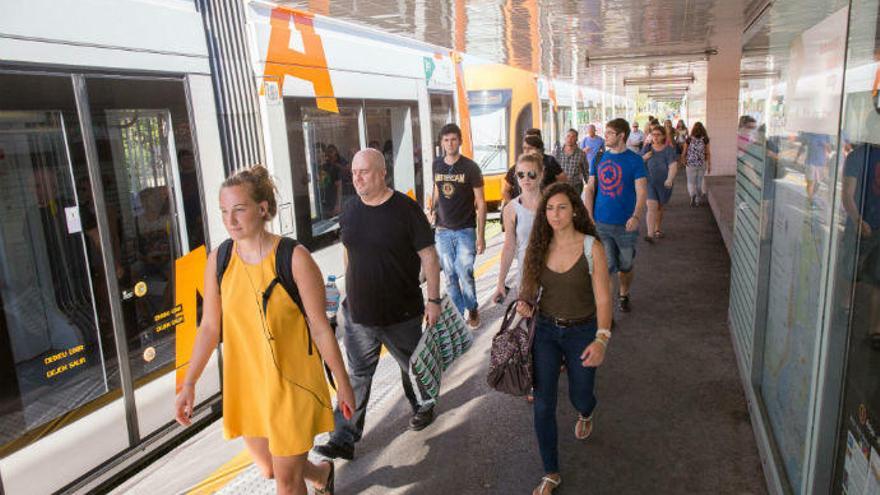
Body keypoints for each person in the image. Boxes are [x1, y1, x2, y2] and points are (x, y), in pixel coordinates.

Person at [175, 165, 355, 495]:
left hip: (293, 385)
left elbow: (320, 328)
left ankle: (310, 478)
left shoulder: (293, 257)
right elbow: (210, 327)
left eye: (239, 209)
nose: (230, 220)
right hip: (248, 386)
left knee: (286, 483)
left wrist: (343, 384)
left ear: (262, 208)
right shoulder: (219, 260)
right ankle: (321, 474)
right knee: (272, 469)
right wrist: (189, 383)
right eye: (224, 211)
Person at [314, 149, 442, 461]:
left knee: (412, 367)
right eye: (354, 172)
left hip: (402, 313)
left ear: (382, 173)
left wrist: (434, 300)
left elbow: (429, 257)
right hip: (359, 315)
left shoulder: (406, 209)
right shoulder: (350, 210)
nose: (356, 178)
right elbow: (350, 253)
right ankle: (343, 438)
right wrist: (345, 294)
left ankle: (423, 405)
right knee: (357, 376)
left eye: (365, 172)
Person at [516, 182, 613, 495]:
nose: (555, 215)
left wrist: (601, 339)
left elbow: (603, 299)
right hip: (544, 331)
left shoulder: (591, 247)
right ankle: (550, 471)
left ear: (574, 210)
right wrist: (524, 302)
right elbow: (529, 288)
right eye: (549, 209)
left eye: (561, 208)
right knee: (543, 405)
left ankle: (586, 411)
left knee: (580, 394)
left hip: (583, 332)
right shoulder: (539, 245)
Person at [583, 118, 647, 313]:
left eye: (610, 133)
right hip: (601, 222)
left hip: (626, 224)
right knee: (608, 266)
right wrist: (588, 214)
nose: (606, 136)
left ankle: (624, 293)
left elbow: (642, 191)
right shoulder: (599, 158)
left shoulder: (635, 160)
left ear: (621, 136)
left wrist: (636, 216)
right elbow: (591, 188)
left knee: (625, 265)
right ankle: (606, 310)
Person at [432, 123, 486, 327]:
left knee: (464, 273)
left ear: (460, 141)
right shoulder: (437, 165)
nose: (450, 143)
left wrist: (480, 236)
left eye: (453, 139)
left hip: (465, 230)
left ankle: (472, 307)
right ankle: (457, 315)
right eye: (446, 140)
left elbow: (480, 202)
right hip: (442, 231)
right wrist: (432, 208)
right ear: (442, 143)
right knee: (449, 276)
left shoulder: (470, 167)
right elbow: (437, 189)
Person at [493, 153, 543, 303]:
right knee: (529, 323)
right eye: (521, 174)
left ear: (541, 174)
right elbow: (509, 246)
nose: (526, 178)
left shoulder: (552, 203)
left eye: (531, 174)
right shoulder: (511, 209)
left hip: (555, 275)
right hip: (526, 276)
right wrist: (501, 282)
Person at [641, 125, 679, 242]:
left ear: (663, 136)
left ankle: (657, 228)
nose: (655, 137)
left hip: (664, 184)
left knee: (660, 207)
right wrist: (644, 158)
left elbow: (673, 166)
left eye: (658, 135)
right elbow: (637, 163)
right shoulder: (647, 148)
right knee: (652, 206)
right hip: (650, 182)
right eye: (653, 135)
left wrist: (670, 179)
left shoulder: (668, 150)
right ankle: (650, 234)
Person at [503, 135, 566, 203]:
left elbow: (563, 181)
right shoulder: (516, 167)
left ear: (538, 149)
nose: (526, 151)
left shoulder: (550, 162)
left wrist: (549, 190)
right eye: (524, 148)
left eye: (529, 148)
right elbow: (505, 190)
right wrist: (513, 206)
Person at [682, 122, 711, 206]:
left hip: (690, 164)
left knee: (690, 182)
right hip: (702, 163)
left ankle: (692, 195)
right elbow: (708, 153)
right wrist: (709, 165)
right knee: (699, 182)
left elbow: (684, 152)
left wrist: (683, 160)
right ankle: (698, 199)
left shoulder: (689, 139)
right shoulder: (705, 139)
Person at [555, 129, 588, 194]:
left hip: (575, 187)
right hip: (560, 186)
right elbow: (553, 169)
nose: (570, 139)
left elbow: (585, 171)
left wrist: (590, 187)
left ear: (576, 139)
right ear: (565, 138)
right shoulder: (557, 152)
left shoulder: (581, 154)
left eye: (573, 137)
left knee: (574, 204)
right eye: (568, 136)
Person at [319, 145, 344, 218]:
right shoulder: (313, 168)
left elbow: (339, 186)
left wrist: (337, 205)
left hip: (331, 204)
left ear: (324, 154)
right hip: (319, 204)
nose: (317, 155)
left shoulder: (333, 167)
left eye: (319, 152)